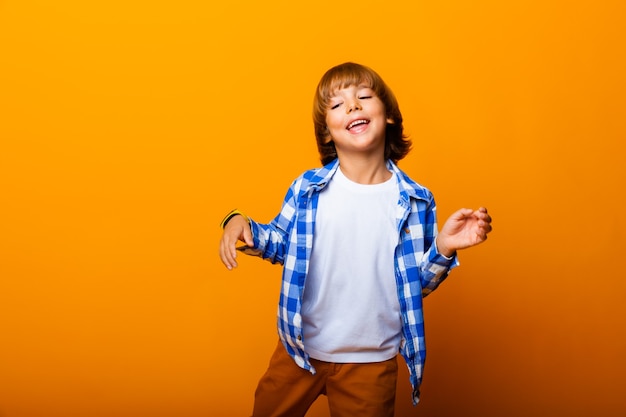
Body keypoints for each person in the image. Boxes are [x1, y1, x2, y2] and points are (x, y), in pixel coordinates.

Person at [218, 62, 492, 417]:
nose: (352, 106)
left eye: (363, 96)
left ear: (388, 115)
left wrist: (443, 247)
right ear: (328, 132)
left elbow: (414, 285)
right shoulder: (308, 189)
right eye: (337, 105)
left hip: (370, 361)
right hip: (300, 351)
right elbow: (281, 244)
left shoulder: (416, 199)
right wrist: (241, 224)